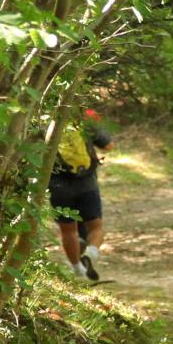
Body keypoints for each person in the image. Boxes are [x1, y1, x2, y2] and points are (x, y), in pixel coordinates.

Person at [49, 108, 114, 281]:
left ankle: (77, 270)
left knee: (68, 230)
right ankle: (90, 254)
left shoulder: (43, 121)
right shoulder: (84, 120)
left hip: (58, 185)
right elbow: (108, 145)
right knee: (95, 227)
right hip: (86, 182)